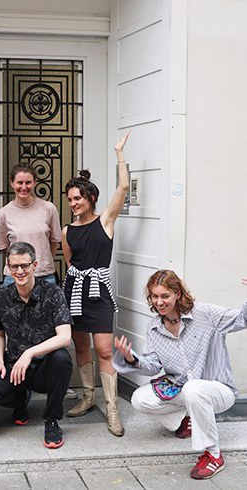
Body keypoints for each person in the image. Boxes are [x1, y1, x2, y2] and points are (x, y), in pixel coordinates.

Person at [114, 270, 247, 480]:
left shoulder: (205, 314)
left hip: (218, 389)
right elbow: (152, 366)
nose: (159, 302)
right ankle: (187, 420)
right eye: (154, 296)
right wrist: (132, 358)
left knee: (194, 388)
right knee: (139, 398)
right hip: (181, 389)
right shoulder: (154, 327)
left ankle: (213, 455)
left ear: (178, 294)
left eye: (165, 296)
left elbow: (242, 319)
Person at [62, 131, 130, 436]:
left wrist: (119, 153)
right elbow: (70, 263)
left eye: (78, 198)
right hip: (75, 290)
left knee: (103, 348)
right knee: (80, 345)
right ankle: (88, 397)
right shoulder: (67, 231)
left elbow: (123, 187)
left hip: (98, 291)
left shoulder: (106, 221)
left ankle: (112, 407)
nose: (73, 203)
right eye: (70, 200)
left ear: (90, 198)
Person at [0, 242, 72, 449]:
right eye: (14, 266)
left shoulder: (53, 293)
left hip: (45, 367)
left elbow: (65, 337)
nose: (20, 271)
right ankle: (19, 401)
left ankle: (52, 420)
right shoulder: (1, 296)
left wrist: (29, 353)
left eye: (24, 265)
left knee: (62, 359)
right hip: (14, 367)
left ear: (35, 265)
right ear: (8, 267)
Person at [0, 164, 62, 286]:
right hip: (14, 277)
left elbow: (54, 241)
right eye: (19, 183)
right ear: (12, 183)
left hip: (44, 275)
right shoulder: (3, 213)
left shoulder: (48, 208)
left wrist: (44, 261)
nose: (24, 187)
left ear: (35, 182)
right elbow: (5, 247)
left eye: (28, 182)